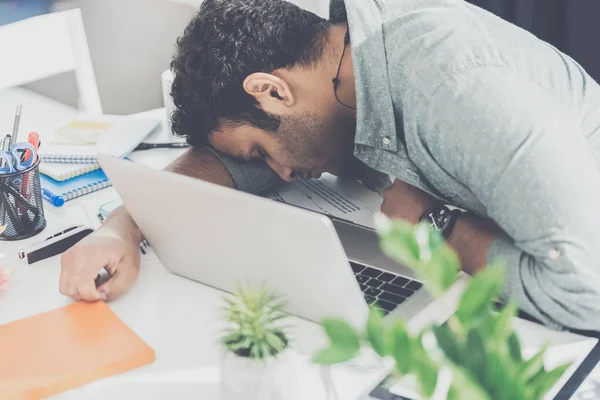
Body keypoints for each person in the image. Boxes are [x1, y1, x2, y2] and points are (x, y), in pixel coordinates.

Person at [60, 0, 600, 332]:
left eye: (261, 150)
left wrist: (438, 226)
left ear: (271, 90)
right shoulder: (337, 72)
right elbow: (222, 165)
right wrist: (121, 226)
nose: (282, 172)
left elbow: (586, 294)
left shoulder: (452, 89)